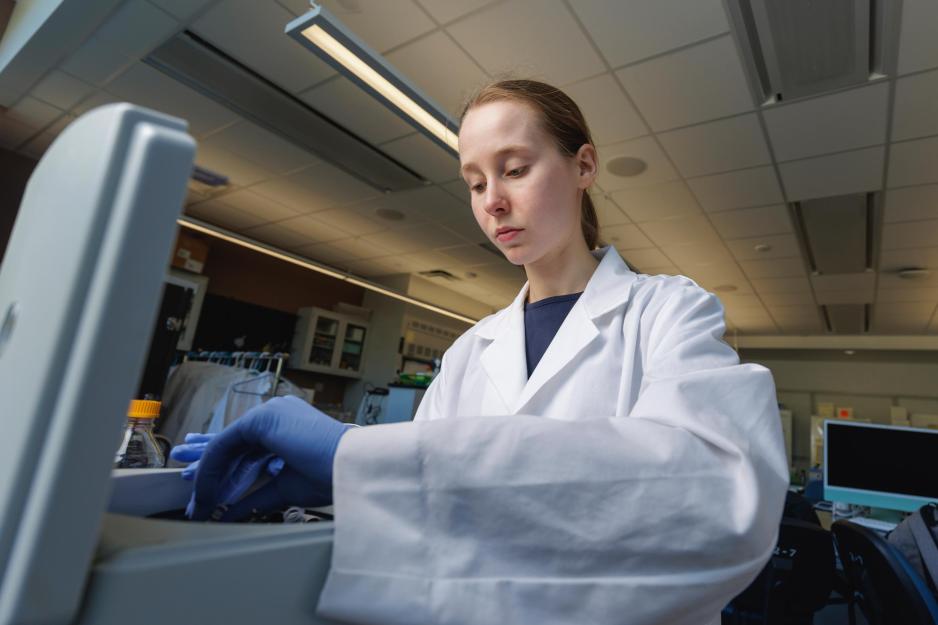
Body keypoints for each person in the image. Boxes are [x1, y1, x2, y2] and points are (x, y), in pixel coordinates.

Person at [180, 80, 789, 625]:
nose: (491, 200)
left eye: (515, 169)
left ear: (584, 167)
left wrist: (354, 453)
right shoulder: (472, 349)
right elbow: (423, 499)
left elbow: (716, 497)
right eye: (475, 182)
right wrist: (350, 483)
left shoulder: (668, 311)